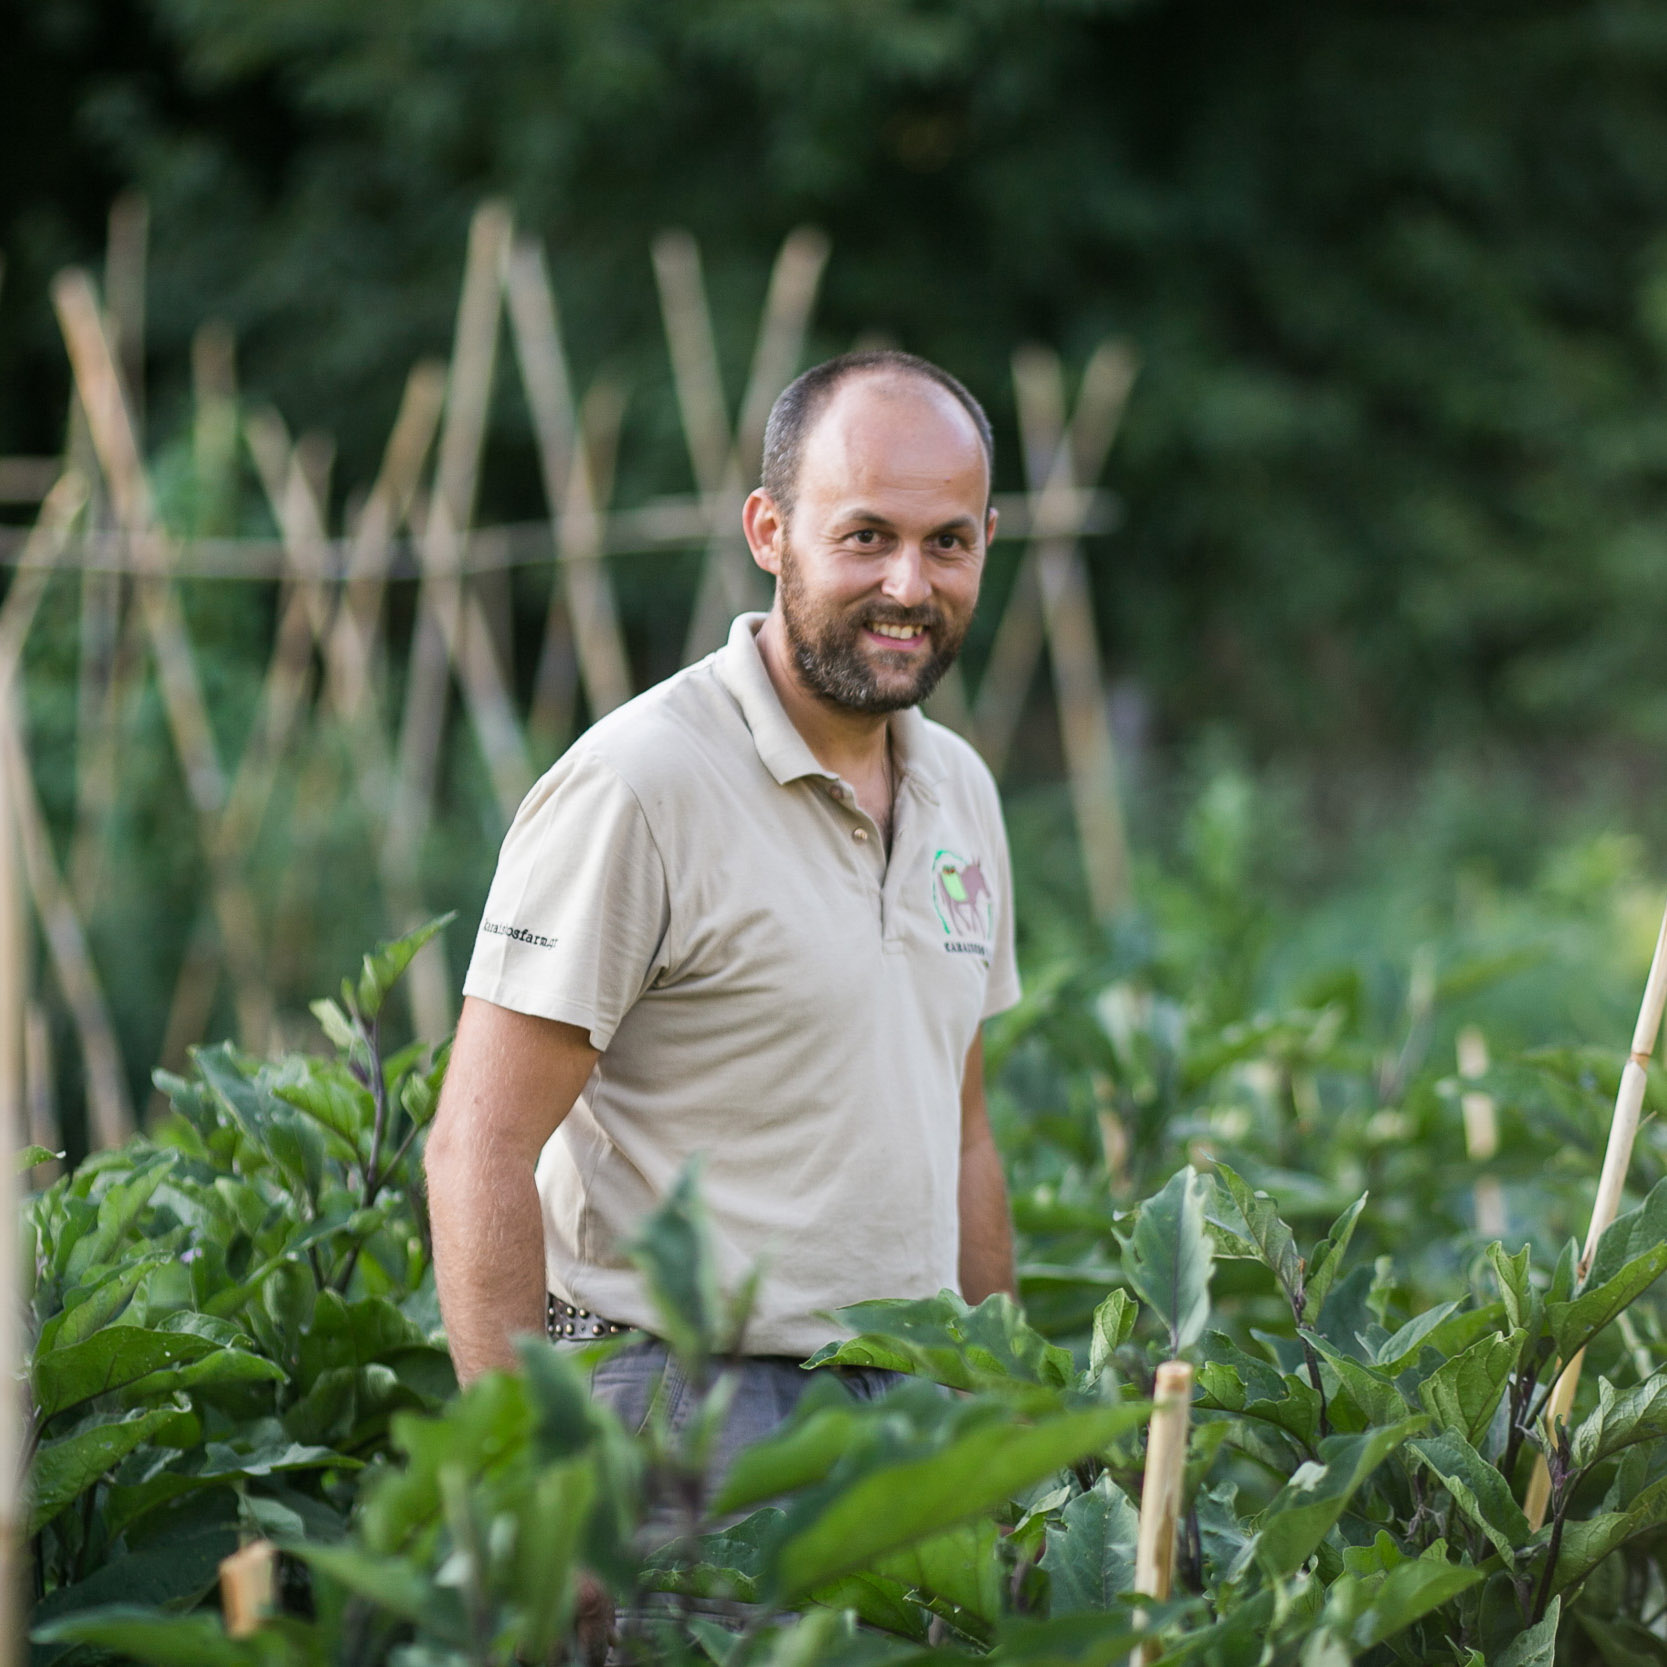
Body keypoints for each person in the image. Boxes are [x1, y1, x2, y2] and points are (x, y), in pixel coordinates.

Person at [425, 349, 1021, 1468]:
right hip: (682, 1411)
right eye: (863, 536)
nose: (908, 583)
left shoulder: (961, 791)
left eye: (945, 541)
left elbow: (964, 1130)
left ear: (985, 540)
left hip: (916, 1408)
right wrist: (528, 1489)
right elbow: (478, 1145)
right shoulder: (641, 784)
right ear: (767, 531)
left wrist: (1002, 1408)